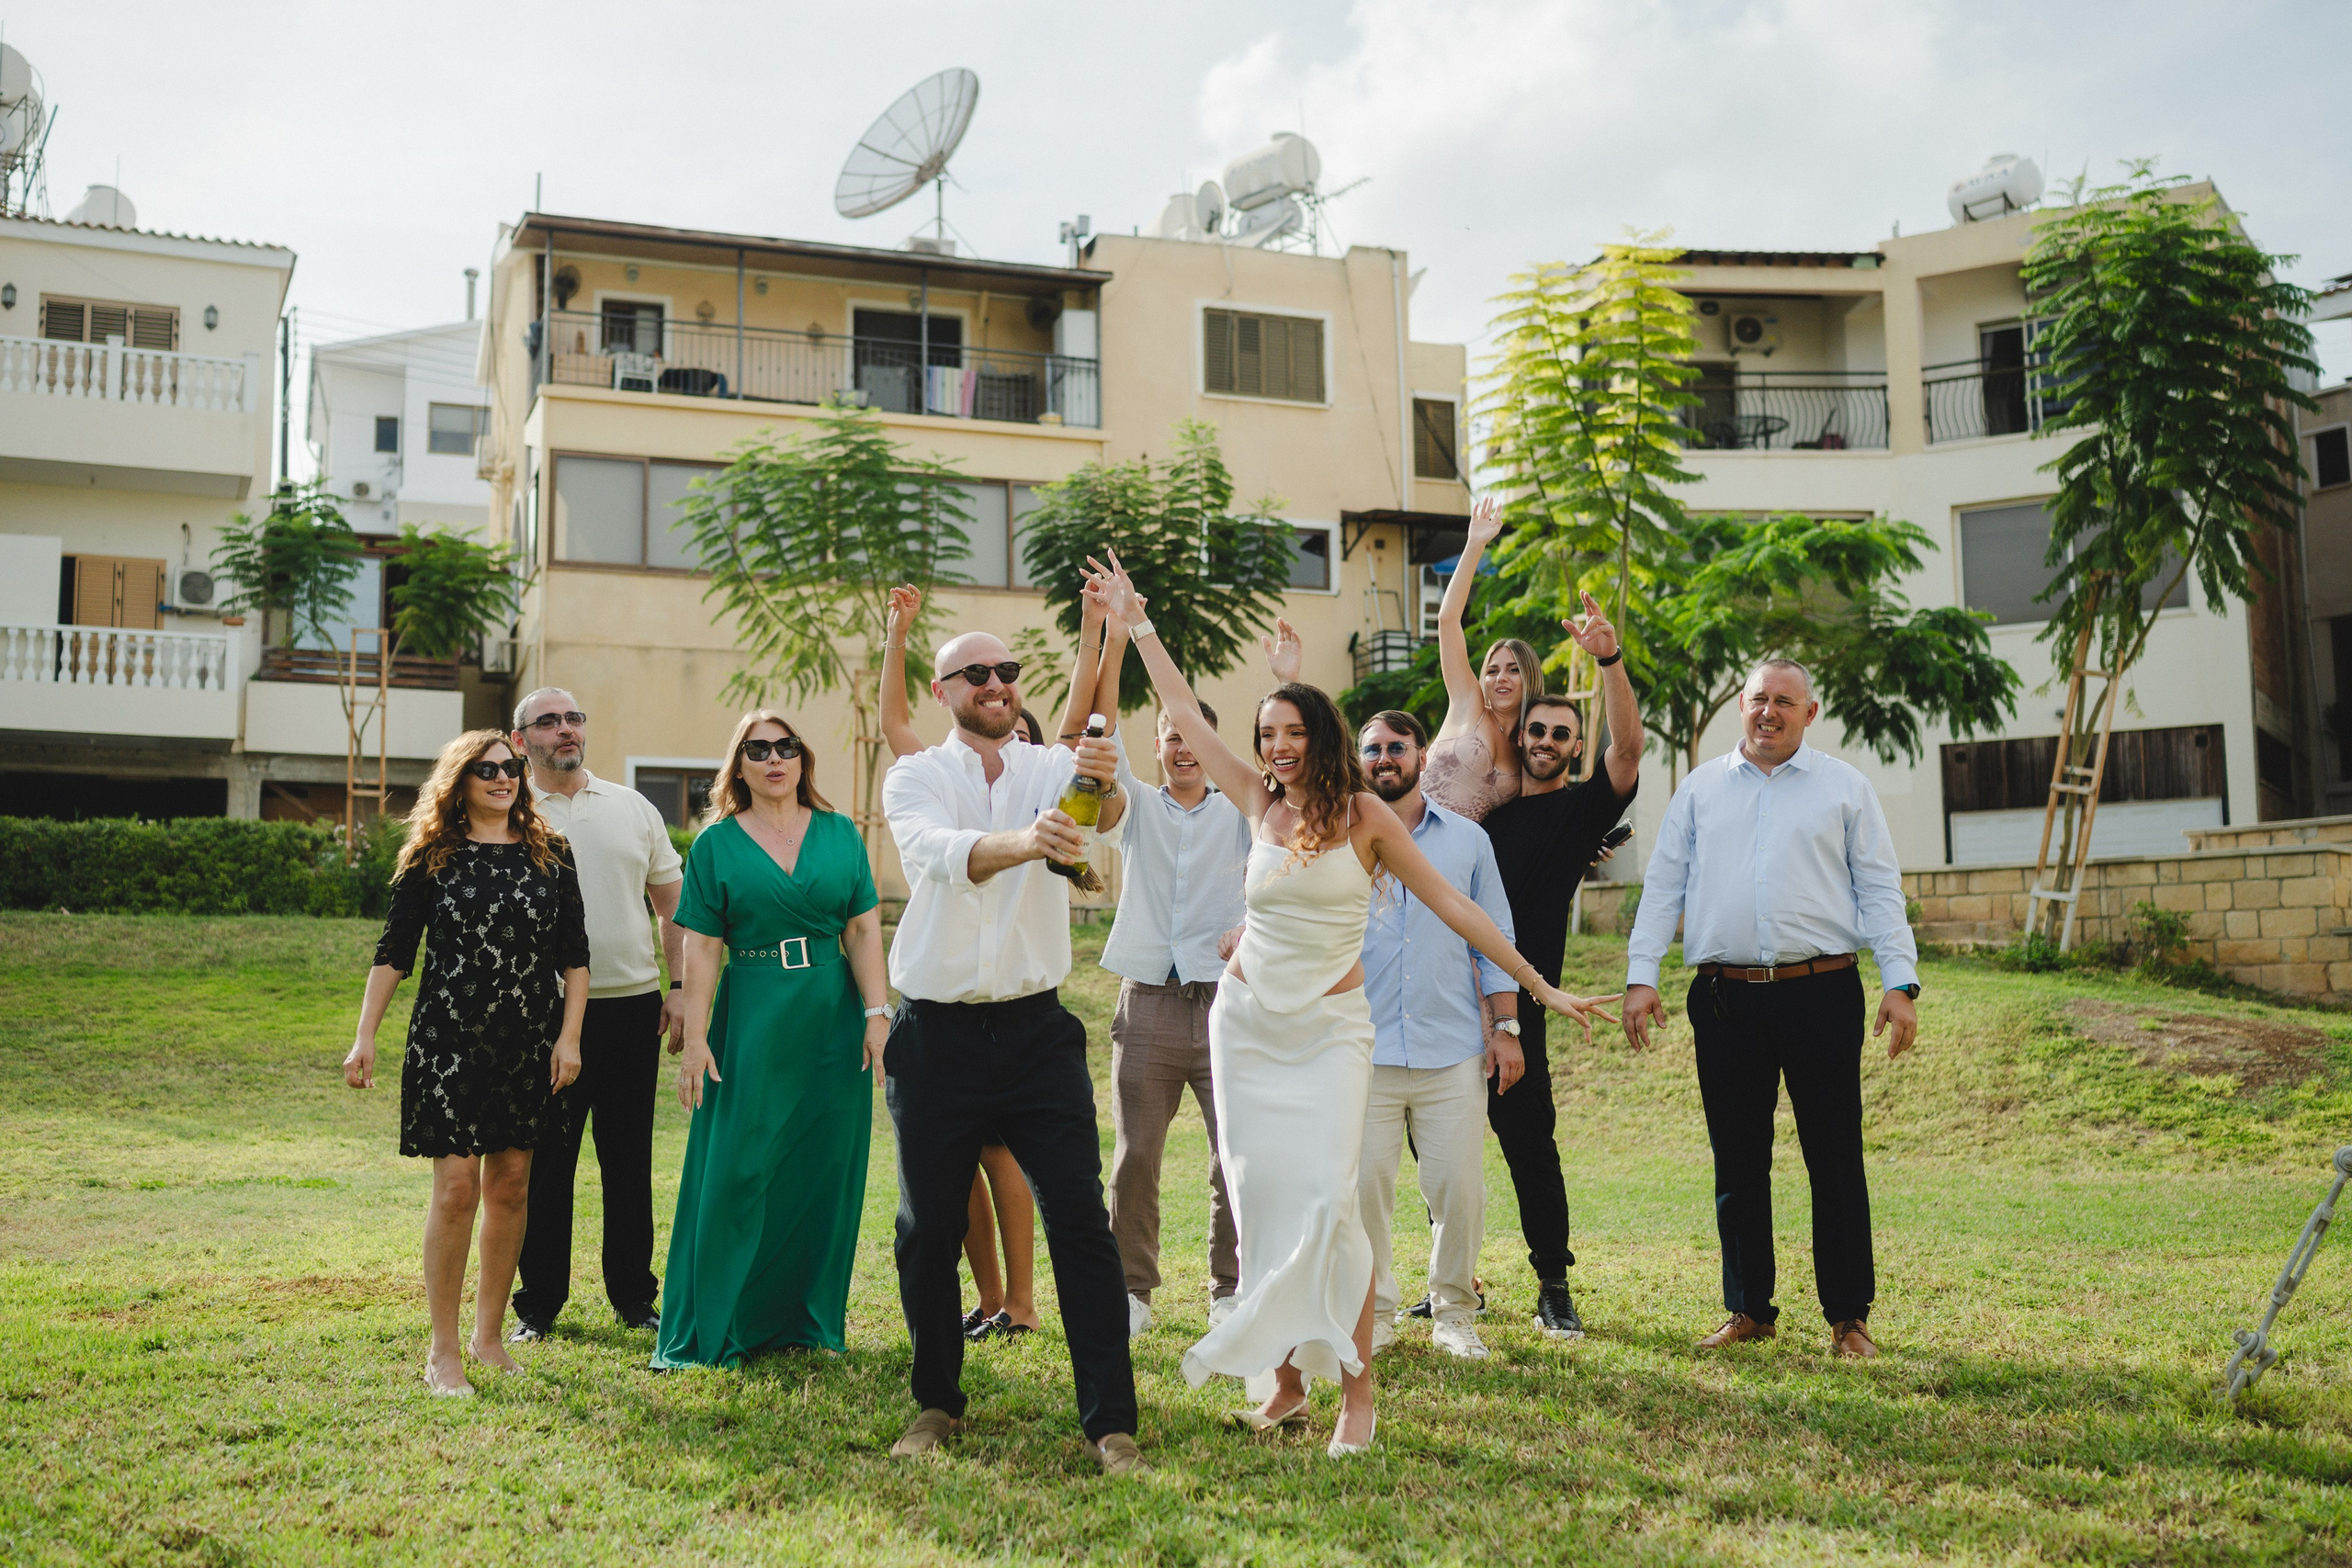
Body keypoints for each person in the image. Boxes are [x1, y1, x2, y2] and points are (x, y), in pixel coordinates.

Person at [1096, 555, 1616, 1457]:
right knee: (1262, 1203)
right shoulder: (1257, 804)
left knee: (1332, 1206)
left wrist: (1535, 988)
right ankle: (1287, 1385)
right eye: (1266, 735)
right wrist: (1138, 623)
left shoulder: (1367, 820)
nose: (1276, 748)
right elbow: (1180, 713)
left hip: (1333, 1037)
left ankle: (1357, 1395)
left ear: (1322, 736)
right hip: (1249, 1030)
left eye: (1291, 733)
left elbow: (1456, 908)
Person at [877, 610, 1144, 1476]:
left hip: (1036, 1031)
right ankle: (936, 1402)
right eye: (976, 674)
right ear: (943, 693)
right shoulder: (914, 777)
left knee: (1080, 1220)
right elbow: (939, 854)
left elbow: (1102, 814)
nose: (996, 685)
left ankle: (1111, 1421)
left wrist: (1101, 782)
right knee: (927, 1228)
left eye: (1007, 672)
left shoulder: (1048, 764)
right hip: (935, 1034)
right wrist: (1030, 839)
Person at [1622, 659, 1920, 1359]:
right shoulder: (1698, 791)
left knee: (1834, 1156)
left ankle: (1849, 1317)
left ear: (1809, 713)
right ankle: (1748, 1307)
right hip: (1726, 998)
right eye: (1759, 699)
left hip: (1822, 991)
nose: (1769, 711)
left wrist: (1899, 982)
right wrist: (1642, 975)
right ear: (1741, 705)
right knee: (1738, 1159)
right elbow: (1663, 887)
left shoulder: (1844, 789)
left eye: (1785, 701)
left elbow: (1880, 887)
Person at [344, 730, 589, 1396]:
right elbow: (395, 952)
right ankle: (442, 1351)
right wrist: (365, 1036)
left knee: (511, 1186)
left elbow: (575, 957)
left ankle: (487, 1338)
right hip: (448, 1042)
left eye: (511, 768)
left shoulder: (553, 854)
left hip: (530, 1043)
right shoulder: (432, 855)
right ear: (460, 781)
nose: (504, 777)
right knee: (456, 1190)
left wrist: (569, 1038)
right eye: (487, 770)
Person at [657, 711, 888, 1367]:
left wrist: (877, 1013)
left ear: (802, 758)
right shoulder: (717, 845)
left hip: (830, 1014)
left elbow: (864, 931)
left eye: (786, 747)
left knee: (823, 1168)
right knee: (739, 1166)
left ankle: (805, 1321)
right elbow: (701, 948)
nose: (774, 758)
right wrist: (696, 1039)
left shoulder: (842, 834)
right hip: (754, 1013)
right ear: (740, 765)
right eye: (758, 749)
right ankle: (719, 1321)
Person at [1477, 592, 1643, 1338]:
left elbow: (1629, 751)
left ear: (1576, 748)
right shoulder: (1482, 815)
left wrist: (1608, 659)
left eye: (1560, 733)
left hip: (1523, 1006)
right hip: (1448, 1002)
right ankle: (1457, 1282)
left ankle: (1553, 1285)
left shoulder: (1582, 813)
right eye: (1536, 729)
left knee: (1529, 1147)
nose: (1545, 739)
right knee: (1433, 1146)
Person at [504, 689, 685, 1342]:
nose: (565, 730)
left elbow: (673, 908)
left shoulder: (632, 807)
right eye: (548, 722)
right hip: (543, 1018)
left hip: (634, 1010)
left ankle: (634, 1297)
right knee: (546, 1165)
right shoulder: (511, 808)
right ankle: (539, 1305)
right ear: (521, 739)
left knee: (628, 1160)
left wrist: (681, 987)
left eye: (574, 718)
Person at [1352, 707, 1519, 1363]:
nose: (1385, 757)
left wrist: (1505, 1028)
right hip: (1361, 1050)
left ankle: (1454, 1312)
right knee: (1365, 1185)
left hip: (1452, 1046)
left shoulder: (1468, 841)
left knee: (1458, 1189)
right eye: (1372, 748)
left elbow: (1492, 940)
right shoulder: (1339, 836)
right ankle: (1377, 1311)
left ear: (1423, 754)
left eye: (1398, 746)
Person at [1101, 683, 1250, 1340]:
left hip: (1228, 1001)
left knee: (1235, 1155)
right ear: (1157, 746)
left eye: (1196, 737)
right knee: (1136, 1156)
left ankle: (1230, 1289)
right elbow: (1103, 752)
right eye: (1172, 736)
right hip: (1150, 998)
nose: (1184, 748)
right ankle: (1131, 1292)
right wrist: (1110, 640)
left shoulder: (1243, 811)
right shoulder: (1135, 805)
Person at [1421, 496, 1542, 822]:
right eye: (1492, 670)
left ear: (1530, 678)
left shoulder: (1530, 743)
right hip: (1408, 835)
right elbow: (1447, 619)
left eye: (1513, 670)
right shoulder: (1468, 702)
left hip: (1459, 860)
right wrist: (1475, 544)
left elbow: (1545, 810)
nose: (1500, 677)